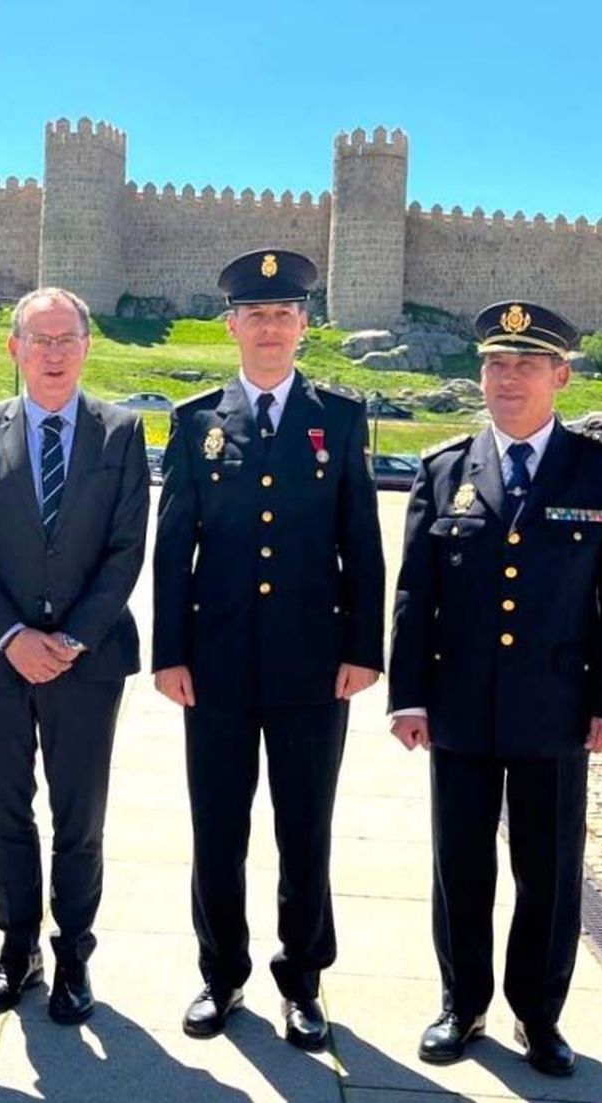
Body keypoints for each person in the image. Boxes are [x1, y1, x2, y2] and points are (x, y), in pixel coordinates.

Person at [387, 300, 602, 1078]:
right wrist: (408, 695)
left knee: (550, 869)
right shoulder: (444, 468)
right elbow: (414, 596)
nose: (508, 378)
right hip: (460, 705)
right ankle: (461, 1002)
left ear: (560, 375)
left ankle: (539, 1014)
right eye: (497, 363)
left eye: (527, 364)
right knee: (460, 863)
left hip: (556, 705)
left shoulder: (601, 470)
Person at [152, 249, 384, 1047]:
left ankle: (304, 980)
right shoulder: (195, 422)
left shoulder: (340, 419)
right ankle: (221, 974)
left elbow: (363, 541)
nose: (271, 326)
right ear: (232, 326)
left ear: (303, 326)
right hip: (213, 667)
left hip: (312, 665)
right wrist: (169, 653)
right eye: (257, 314)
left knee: (304, 827)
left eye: (285, 313)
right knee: (217, 825)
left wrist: (364, 647)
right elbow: (172, 542)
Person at [0, 287, 149, 1025]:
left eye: (68, 339)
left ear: (87, 347)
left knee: (79, 816)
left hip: (86, 663)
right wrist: (11, 636)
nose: (55, 354)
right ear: (15, 349)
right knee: (4, 808)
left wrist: (68, 640)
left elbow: (127, 549)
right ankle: (17, 945)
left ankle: (73, 955)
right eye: (41, 339)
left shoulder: (121, 432)